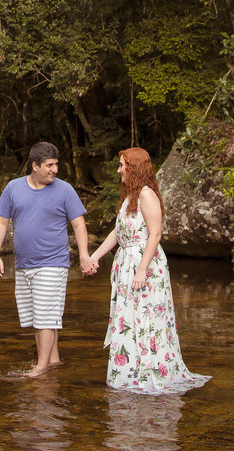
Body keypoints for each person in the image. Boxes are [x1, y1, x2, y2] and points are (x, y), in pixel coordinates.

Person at [88, 147, 210, 394]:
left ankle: (150, 371)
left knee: (146, 319)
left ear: (134, 168)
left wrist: (141, 270)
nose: (119, 169)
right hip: (128, 263)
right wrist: (95, 256)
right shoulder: (130, 197)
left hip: (144, 264)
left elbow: (155, 234)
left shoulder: (146, 195)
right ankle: (130, 371)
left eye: (123, 165)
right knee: (130, 318)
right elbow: (118, 232)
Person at [0, 141, 93, 378]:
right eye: (49, 165)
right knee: (39, 319)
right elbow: (1, 222)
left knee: (45, 318)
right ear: (34, 165)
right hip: (24, 265)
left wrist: (85, 255)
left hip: (53, 263)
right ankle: (53, 363)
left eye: (56, 164)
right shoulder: (13, 188)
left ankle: (40, 369)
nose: (54, 170)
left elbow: (78, 224)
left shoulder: (65, 190)